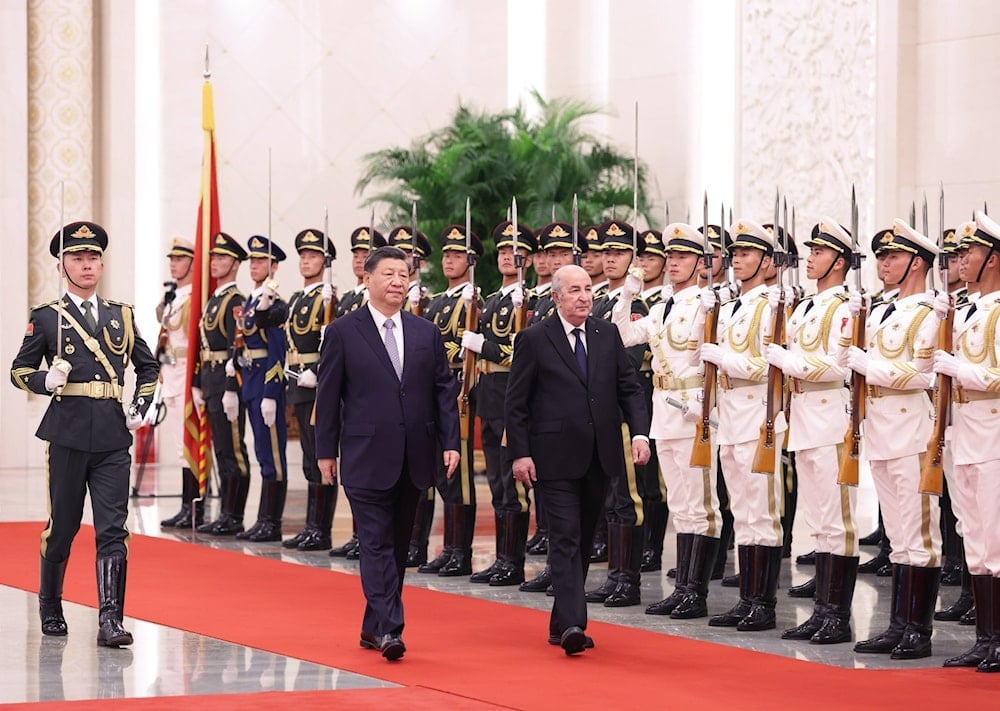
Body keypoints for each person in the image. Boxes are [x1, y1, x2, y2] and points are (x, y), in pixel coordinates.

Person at [10, 221, 159, 647]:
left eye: (93, 257)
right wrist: (45, 381)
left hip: (113, 436)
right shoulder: (46, 317)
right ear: (63, 267)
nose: (87, 264)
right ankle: (51, 603)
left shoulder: (122, 315)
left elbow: (146, 367)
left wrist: (139, 405)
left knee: (114, 528)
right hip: (69, 434)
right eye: (77, 258)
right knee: (64, 526)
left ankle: (110, 620)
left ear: (102, 263)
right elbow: (18, 371)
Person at [315, 245, 460, 661]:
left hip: (415, 456)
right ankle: (391, 629)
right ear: (367, 279)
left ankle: (371, 625)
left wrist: (450, 442)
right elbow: (328, 397)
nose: (398, 282)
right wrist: (326, 450)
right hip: (364, 455)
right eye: (389, 274)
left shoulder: (424, 332)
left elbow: (443, 392)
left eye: (404, 275)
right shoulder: (343, 331)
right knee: (375, 543)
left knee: (398, 547)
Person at [505, 264, 650, 655]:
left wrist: (639, 432)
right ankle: (573, 624)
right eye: (574, 290)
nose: (585, 296)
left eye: (587, 288)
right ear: (556, 297)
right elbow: (516, 403)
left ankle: (559, 619)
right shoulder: (534, 339)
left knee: (584, 539)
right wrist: (520, 453)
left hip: (599, 455)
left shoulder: (606, 335)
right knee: (565, 537)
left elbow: (629, 388)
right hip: (552, 458)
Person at [613, 223, 722, 620]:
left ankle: (696, 590)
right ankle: (682, 589)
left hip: (693, 410)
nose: (674, 264)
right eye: (670, 257)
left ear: (699, 263)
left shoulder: (705, 304)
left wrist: (707, 405)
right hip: (664, 411)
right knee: (680, 503)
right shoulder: (661, 306)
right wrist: (628, 292)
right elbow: (622, 333)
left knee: (701, 504)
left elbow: (709, 359)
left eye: (682, 257)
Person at [846, 219, 941, 660]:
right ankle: (898, 624)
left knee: (919, 533)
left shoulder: (930, 312)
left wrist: (867, 365)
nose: (883, 264)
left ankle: (918, 631)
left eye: (894, 257)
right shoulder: (882, 310)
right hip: (881, 427)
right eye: (881, 256)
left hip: (911, 429)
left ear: (917, 263)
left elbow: (921, 375)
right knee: (899, 535)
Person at [766, 219, 858, 644]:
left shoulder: (846, 306)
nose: (810, 258)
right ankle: (821, 611)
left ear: (839, 261)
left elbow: (840, 367)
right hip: (802, 418)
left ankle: (837, 617)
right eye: (811, 250)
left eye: (819, 252)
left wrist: (790, 363)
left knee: (836, 520)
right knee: (818, 521)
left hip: (830, 418)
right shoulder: (804, 306)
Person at [700, 219, 786, 632]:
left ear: (767, 261)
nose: (737, 260)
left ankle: (762, 604)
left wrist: (722, 358)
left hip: (758, 415)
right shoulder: (731, 305)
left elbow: (769, 366)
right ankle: (746, 599)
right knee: (742, 510)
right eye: (734, 254)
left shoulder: (773, 305)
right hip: (731, 416)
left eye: (746, 254)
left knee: (761, 512)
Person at [933, 212, 1000, 670]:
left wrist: (961, 371)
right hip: (965, 435)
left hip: (994, 435)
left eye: (972, 252)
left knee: (994, 540)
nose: (962, 260)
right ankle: (985, 637)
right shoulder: (967, 312)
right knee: (974, 538)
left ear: (992, 259)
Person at [463, 220, 535, 586]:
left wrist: (483, 346)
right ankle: (503, 558)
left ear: (530, 258)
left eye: (517, 251)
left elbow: (520, 354)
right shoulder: (490, 300)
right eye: (504, 251)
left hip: (512, 394)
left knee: (513, 482)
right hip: (489, 394)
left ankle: (514, 562)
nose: (509, 256)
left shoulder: (531, 301)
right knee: (496, 482)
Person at [415, 225, 483, 577]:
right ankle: (447, 548)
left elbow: (466, 345)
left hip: (459, 390)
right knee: (441, 474)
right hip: (434, 392)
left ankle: (461, 551)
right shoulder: (439, 301)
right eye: (447, 254)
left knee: (460, 477)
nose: (449, 260)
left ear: (471, 261)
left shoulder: (474, 301)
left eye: (457, 255)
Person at [329, 226, 388, 559]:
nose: (359, 259)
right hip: (352, 393)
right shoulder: (350, 301)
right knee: (359, 472)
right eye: (356, 254)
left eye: (366, 254)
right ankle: (358, 534)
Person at [193, 232, 252, 535]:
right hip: (211, 380)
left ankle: (234, 514)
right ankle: (225, 512)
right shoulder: (214, 300)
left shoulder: (235, 301)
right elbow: (202, 344)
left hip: (227, 382)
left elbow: (236, 346)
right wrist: (196, 381)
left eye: (222, 258)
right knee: (221, 450)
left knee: (233, 450)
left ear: (236, 264)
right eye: (213, 257)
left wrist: (232, 388)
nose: (215, 262)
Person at [282, 229, 337, 551]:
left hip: (317, 384)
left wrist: (317, 371)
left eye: (313, 256)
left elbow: (335, 344)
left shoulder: (328, 298)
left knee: (320, 454)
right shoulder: (298, 298)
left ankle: (322, 529)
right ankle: (312, 526)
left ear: (325, 261)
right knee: (307, 455)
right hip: (297, 382)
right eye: (303, 255)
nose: (306, 260)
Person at [234, 236, 290, 542]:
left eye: (262, 261)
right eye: (252, 261)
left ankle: (272, 521)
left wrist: (271, 392)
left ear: (274, 266)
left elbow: (277, 351)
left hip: (266, 384)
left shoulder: (274, 305)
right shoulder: (251, 302)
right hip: (250, 381)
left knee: (273, 455)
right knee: (260, 451)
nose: (255, 265)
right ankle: (263, 518)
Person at [157, 237, 201, 528]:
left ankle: (193, 507)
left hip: (187, 374)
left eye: (180, 259)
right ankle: (186, 506)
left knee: (190, 444)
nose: (174, 264)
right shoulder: (173, 299)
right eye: (171, 259)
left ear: (191, 263)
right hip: (171, 375)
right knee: (178, 446)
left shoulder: (194, 297)